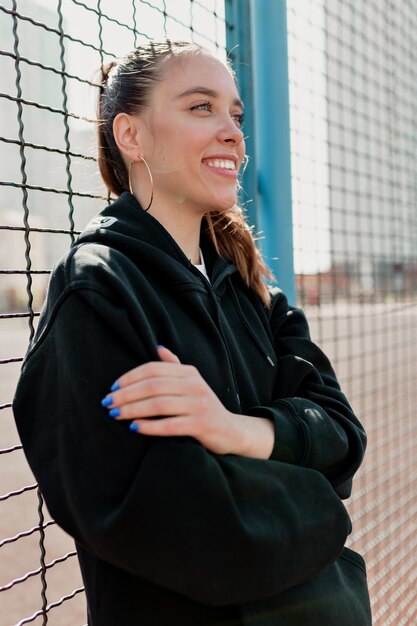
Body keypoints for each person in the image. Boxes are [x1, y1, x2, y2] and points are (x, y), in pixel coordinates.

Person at [13, 40, 372, 625]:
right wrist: (321, 506)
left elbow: (344, 436)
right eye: (200, 107)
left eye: (236, 114)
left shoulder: (258, 289)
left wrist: (231, 431)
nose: (232, 131)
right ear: (130, 135)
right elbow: (186, 524)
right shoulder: (98, 291)